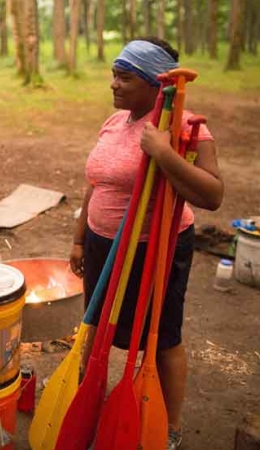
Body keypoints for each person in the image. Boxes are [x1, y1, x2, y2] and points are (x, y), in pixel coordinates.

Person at [69, 38, 223, 450]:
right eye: (114, 76)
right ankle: (85, 397)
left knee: (163, 336)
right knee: (96, 325)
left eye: (125, 77)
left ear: (157, 85)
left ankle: (168, 428)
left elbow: (212, 195)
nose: (114, 85)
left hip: (155, 249)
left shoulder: (186, 129)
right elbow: (95, 184)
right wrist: (80, 238)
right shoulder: (113, 122)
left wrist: (163, 152)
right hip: (104, 244)